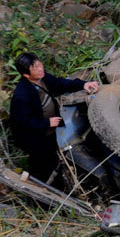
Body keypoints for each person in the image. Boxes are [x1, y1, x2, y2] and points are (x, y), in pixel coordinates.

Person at [9, 53, 99, 183]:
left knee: (52, 158)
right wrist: (46, 123)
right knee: (41, 163)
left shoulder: (43, 79)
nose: (40, 69)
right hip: (33, 136)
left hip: (48, 130)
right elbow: (23, 121)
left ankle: (57, 183)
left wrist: (83, 84)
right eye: (35, 68)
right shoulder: (22, 94)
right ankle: (39, 192)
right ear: (26, 75)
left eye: (39, 64)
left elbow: (60, 83)